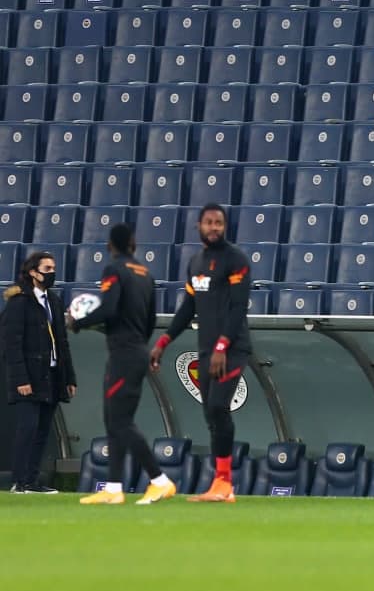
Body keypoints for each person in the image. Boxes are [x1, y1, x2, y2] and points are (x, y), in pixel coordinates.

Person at [149, 204, 252, 503]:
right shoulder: (195, 262)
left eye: (219, 222)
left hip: (232, 349)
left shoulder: (236, 259)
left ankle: (224, 483)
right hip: (206, 350)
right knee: (211, 415)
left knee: (219, 407)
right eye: (209, 222)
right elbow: (188, 308)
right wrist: (164, 341)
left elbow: (238, 307)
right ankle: (221, 486)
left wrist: (222, 346)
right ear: (199, 226)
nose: (214, 227)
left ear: (225, 226)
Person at [72, 224, 178, 505]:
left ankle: (159, 480)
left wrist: (78, 322)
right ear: (133, 244)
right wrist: (140, 345)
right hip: (137, 350)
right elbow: (151, 319)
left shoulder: (114, 270)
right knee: (114, 420)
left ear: (110, 246)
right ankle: (114, 488)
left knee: (120, 421)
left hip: (123, 355)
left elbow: (109, 308)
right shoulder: (146, 274)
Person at [3, 251, 76, 493]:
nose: (52, 273)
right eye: (47, 269)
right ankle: (19, 480)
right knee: (28, 428)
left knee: (42, 430)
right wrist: (21, 379)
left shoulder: (53, 300)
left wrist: (69, 377)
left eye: (53, 268)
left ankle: (32, 480)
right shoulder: (19, 302)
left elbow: (62, 343)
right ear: (33, 272)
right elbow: (11, 345)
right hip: (30, 376)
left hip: (51, 375)